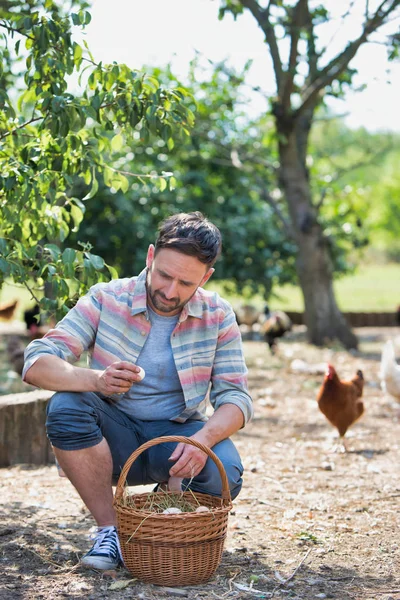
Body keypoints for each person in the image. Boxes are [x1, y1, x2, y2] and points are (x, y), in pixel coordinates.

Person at [23, 211, 253, 570]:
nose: (169, 291)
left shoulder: (218, 315)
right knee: (67, 405)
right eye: (163, 275)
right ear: (150, 257)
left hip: (176, 436)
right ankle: (110, 530)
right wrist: (95, 380)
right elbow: (37, 362)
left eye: (186, 283)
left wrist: (203, 440)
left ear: (205, 277)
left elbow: (236, 398)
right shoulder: (105, 298)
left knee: (226, 469)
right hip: (111, 438)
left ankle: (163, 513)